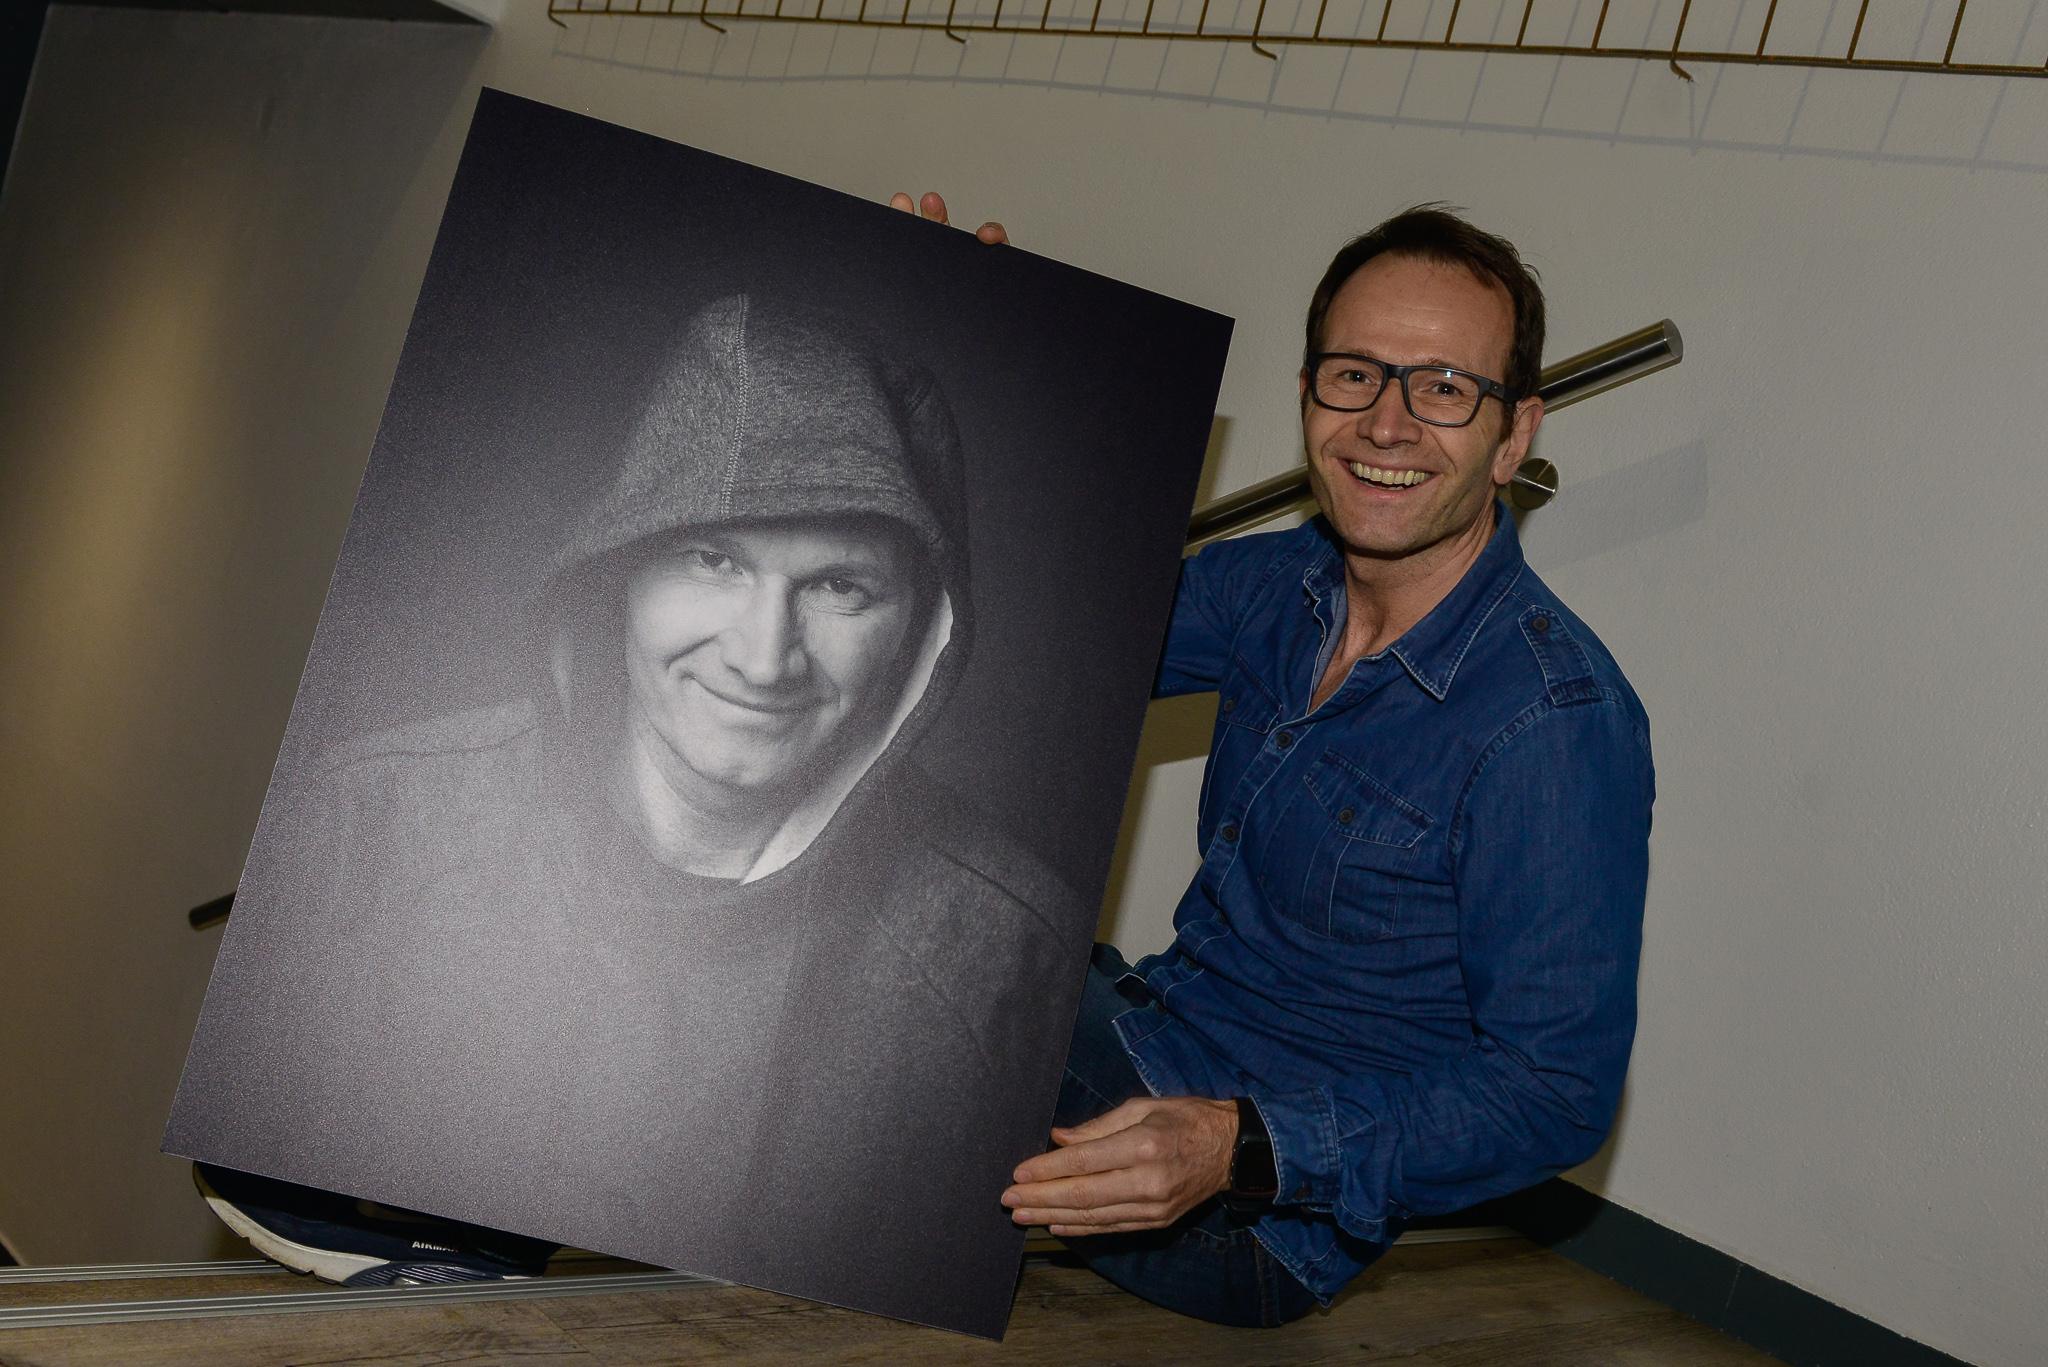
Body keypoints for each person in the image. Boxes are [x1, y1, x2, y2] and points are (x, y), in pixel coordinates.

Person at [170, 293, 1080, 1329]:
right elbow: (262, 1176)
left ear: (921, 627)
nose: (763, 657)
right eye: (713, 559)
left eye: (839, 584)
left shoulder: (1007, 955)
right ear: (619, 570)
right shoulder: (367, 814)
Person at [888, 193, 1655, 1326]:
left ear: (1513, 436)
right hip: (1148, 1032)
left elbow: (1553, 1094)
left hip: (1251, 1219)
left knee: (881, 914)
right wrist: (954, 341)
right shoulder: (1280, 585)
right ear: (1307, 397)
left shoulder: (1551, 723)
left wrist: (1235, 1144)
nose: (1387, 424)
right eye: (1355, 375)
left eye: (1445, 387)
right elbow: (1042, 626)